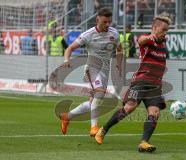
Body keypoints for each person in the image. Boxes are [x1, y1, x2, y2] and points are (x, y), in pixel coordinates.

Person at [95, 14, 171, 152]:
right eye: (163, 30)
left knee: (155, 113)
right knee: (130, 107)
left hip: (155, 84)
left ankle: (144, 142)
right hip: (141, 81)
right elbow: (141, 41)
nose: (165, 33)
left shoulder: (163, 43)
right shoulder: (148, 39)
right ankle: (103, 130)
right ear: (154, 28)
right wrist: (151, 37)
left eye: (167, 31)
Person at [60, 8, 123, 137]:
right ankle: (94, 127)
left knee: (92, 103)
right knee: (99, 93)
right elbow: (70, 48)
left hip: (104, 70)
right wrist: (66, 60)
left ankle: (67, 117)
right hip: (92, 68)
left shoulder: (114, 33)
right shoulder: (88, 35)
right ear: (97, 19)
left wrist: (119, 64)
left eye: (109, 22)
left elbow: (120, 50)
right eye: (104, 22)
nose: (107, 25)